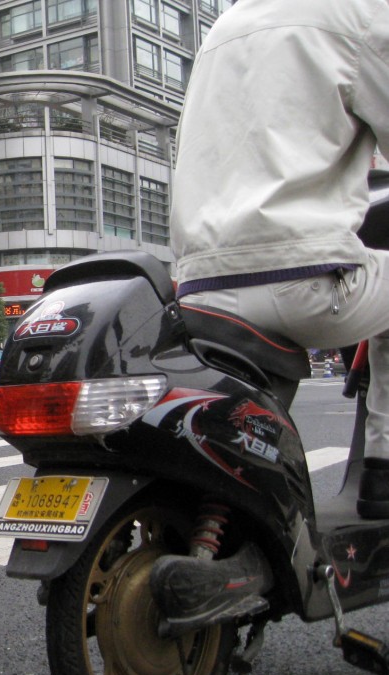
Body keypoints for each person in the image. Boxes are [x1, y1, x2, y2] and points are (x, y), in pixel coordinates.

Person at [169, 0, 389, 518]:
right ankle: (382, 469)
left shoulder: (225, 25)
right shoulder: (362, 13)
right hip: (301, 279)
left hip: (199, 287)